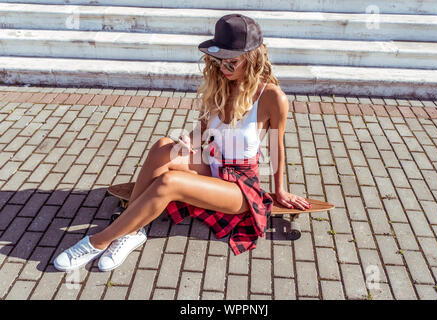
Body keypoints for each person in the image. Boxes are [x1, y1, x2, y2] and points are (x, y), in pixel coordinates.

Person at [53, 13, 311, 272]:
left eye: (232, 63)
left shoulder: (272, 97)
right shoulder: (219, 84)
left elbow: (278, 147)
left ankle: (98, 241)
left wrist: (280, 191)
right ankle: (131, 231)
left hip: (241, 185)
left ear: (253, 58)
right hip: (212, 164)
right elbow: (201, 134)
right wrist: (190, 141)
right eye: (219, 60)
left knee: (169, 182)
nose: (223, 69)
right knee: (162, 147)